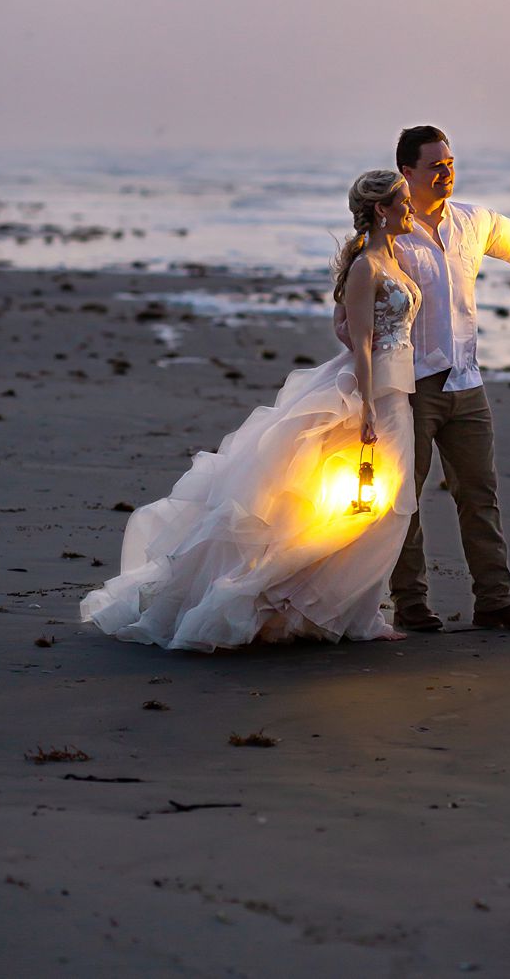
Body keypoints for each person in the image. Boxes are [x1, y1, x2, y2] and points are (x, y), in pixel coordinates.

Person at [82, 171, 423, 650]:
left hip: (398, 394)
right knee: (369, 506)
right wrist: (367, 408)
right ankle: (281, 595)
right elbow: (362, 345)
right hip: (374, 396)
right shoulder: (368, 267)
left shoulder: (395, 257)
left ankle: (357, 613)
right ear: (383, 210)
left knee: (386, 508)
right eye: (404, 201)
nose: (412, 207)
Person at [384, 125, 510, 633]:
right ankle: (411, 604)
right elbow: (358, 298)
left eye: (450, 163)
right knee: (402, 502)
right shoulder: (387, 232)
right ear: (407, 173)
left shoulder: (473, 222)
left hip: (466, 383)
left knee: (479, 494)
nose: (446, 173)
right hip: (409, 386)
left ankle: (495, 601)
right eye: (435, 166)